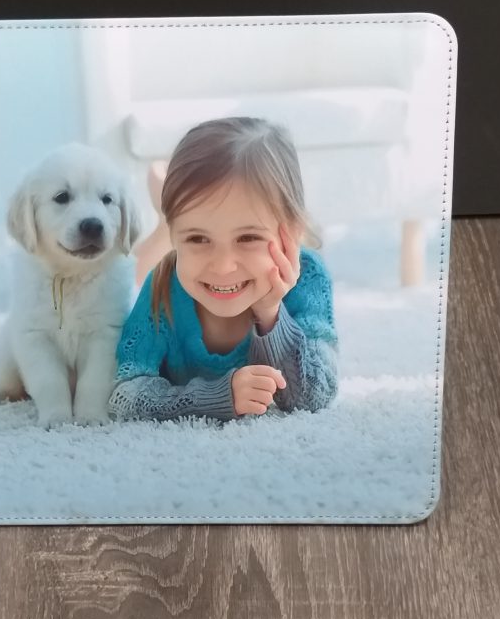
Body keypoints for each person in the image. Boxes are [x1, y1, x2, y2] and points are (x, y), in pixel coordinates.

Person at [107, 116, 338, 422]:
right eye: (198, 238)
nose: (223, 266)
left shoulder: (308, 277)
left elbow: (314, 397)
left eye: (248, 237)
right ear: (176, 236)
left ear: (291, 233)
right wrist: (214, 397)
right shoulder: (163, 286)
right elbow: (123, 396)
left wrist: (270, 314)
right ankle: (164, 219)